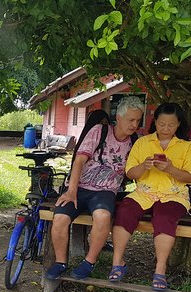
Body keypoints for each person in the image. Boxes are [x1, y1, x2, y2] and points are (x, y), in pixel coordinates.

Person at [45, 97, 145, 280]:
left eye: (138, 120)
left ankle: (89, 262)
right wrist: (71, 190)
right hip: (79, 186)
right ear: (119, 117)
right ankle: (60, 262)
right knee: (59, 218)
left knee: (103, 217)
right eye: (131, 120)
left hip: (105, 192)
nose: (135, 124)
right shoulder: (100, 131)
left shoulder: (136, 142)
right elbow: (80, 160)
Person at [109, 103, 191, 290]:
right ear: (155, 122)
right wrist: (144, 166)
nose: (165, 129)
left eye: (171, 125)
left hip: (174, 194)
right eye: (161, 124)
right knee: (125, 210)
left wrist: (171, 169)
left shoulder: (186, 146)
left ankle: (160, 270)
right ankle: (117, 262)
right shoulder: (142, 142)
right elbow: (130, 173)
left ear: (178, 124)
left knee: (165, 217)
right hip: (145, 192)